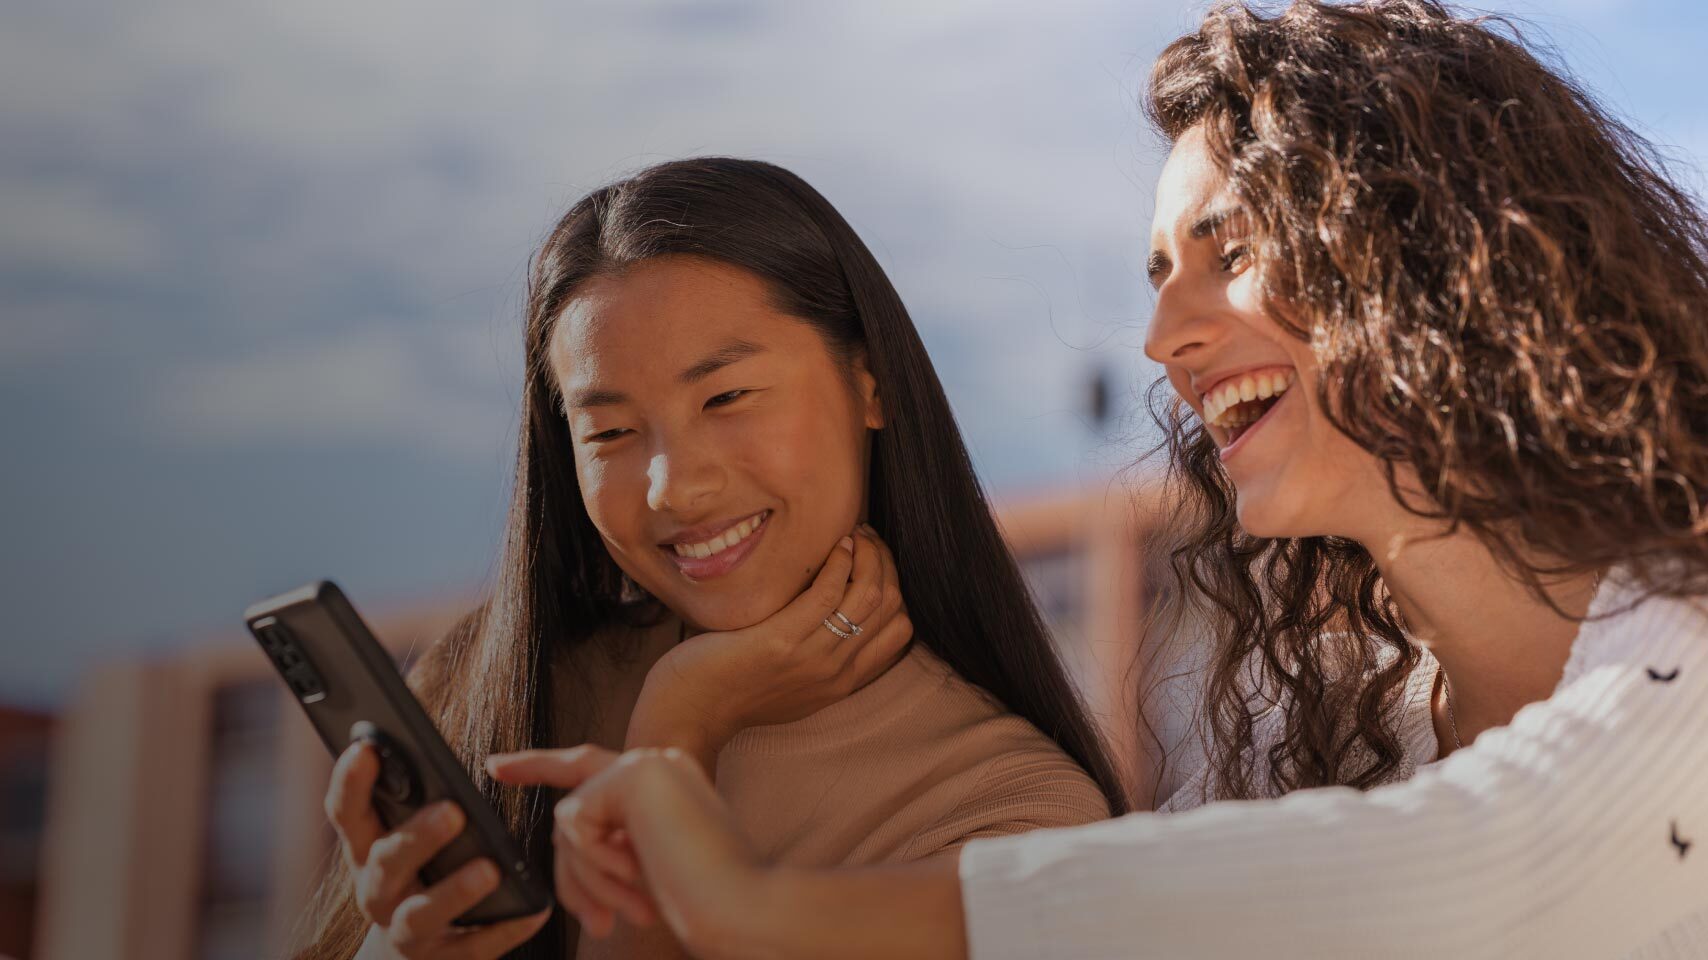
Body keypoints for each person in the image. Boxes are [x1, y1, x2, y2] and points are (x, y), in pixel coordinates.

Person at [504, 2, 1708, 957]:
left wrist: (751, 909)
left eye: (1229, 252)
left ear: (1436, 257)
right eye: (1154, 274)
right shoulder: (1321, 723)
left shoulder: (1685, 649)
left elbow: (1472, 866)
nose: (1162, 337)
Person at [298, 158, 1127, 960]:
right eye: (611, 432)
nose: (673, 489)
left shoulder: (1017, 815)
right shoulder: (492, 690)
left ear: (870, 382)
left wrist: (679, 725)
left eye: (726, 398)